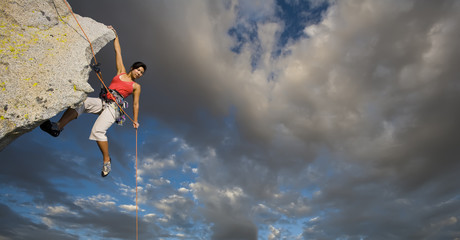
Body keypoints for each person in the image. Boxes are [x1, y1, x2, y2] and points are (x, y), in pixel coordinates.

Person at [40, 26, 146, 177]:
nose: (139, 73)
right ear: (132, 68)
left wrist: (135, 121)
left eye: (141, 73)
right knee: (81, 102)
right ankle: (57, 127)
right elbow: (118, 52)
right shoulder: (121, 71)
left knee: (97, 131)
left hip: (114, 108)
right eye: (138, 70)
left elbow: (136, 104)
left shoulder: (136, 86)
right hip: (103, 101)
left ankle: (107, 160)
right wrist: (115, 35)